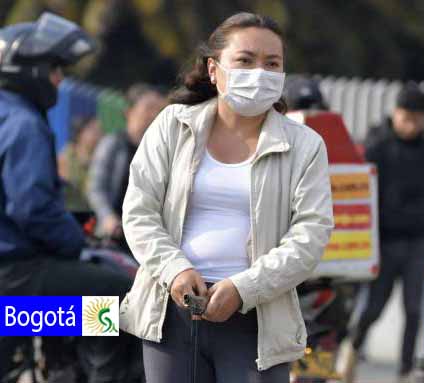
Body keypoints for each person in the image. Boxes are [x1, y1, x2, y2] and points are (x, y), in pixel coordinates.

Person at [118, 12, 334, 383]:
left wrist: (243, 287)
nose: (259, 73)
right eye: (245, 61)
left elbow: (311, 236)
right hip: (170, 316)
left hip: (258, 324)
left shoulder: (305, 145)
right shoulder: (173, 126)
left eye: (272, 64)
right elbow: (139, 211)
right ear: (213, 69)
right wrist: (175, 270)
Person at [0, 12, 137, 382]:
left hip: (12, 285)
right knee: (125, 297)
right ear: (28, 70)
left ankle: (59, 363)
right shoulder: (25, 123)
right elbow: (34, 209)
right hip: (17, 285)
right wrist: (75, 242)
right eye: (55, 69)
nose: (60, 80)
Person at [342, 84, 424, 383]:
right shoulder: (378, 149)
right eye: (405, 116)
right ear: (395, 114)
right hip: (383, 243)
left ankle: (404, 370)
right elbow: (361, 199)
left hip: (418, 244)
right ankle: (352, 349)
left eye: (417, 117)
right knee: (374, 307)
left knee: (413, 310)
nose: (410, 123)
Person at [87, 83, 166, 237]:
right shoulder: (112, 144)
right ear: (129, 111)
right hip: (114, 233)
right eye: (149, 108)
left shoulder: (160, 150)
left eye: (159, 110)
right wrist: (107, 217)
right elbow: (96, 188)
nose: (154, 115)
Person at [58, 116, 103, 212]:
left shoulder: (101, 158)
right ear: (80, 133)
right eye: (93, 130)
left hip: (92, 213)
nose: (99, 135)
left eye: (100, 131)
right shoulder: (66, 157)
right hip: (71, 212)